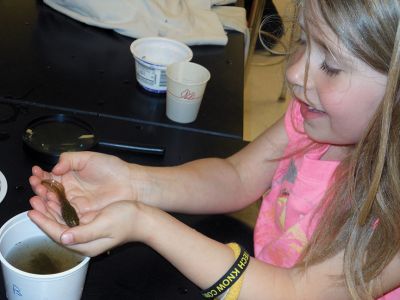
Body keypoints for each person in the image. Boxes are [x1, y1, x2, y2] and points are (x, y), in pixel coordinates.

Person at [28, 0, 400, 299]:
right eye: (303, 41)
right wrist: (133, 181)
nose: (294, 72)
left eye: (331, 65)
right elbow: (238, 177)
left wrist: (145, 222)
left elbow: (295, 291)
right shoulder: (311, 121)